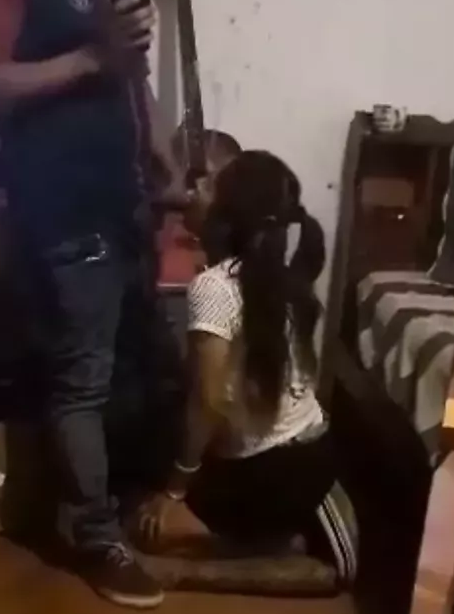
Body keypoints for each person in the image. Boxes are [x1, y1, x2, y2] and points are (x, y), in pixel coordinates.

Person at [0, 0, 185, 609]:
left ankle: (112, 511)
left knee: (135, 371)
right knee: (83, 383)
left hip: (121, 211)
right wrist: (92, 59)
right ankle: (95, 539)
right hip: (63, 216)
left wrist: (162, 159)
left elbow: (131, 83)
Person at [138, 151, 358, 583]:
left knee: (145, 523)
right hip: (310, 454)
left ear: (227, 212)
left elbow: (208, 402)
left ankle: (241, 553)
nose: (194, 190)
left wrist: (175, 489)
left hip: (268, 474)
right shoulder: (282, 275)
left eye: (208, 185)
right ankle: (272, 536)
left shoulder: (214, 286)